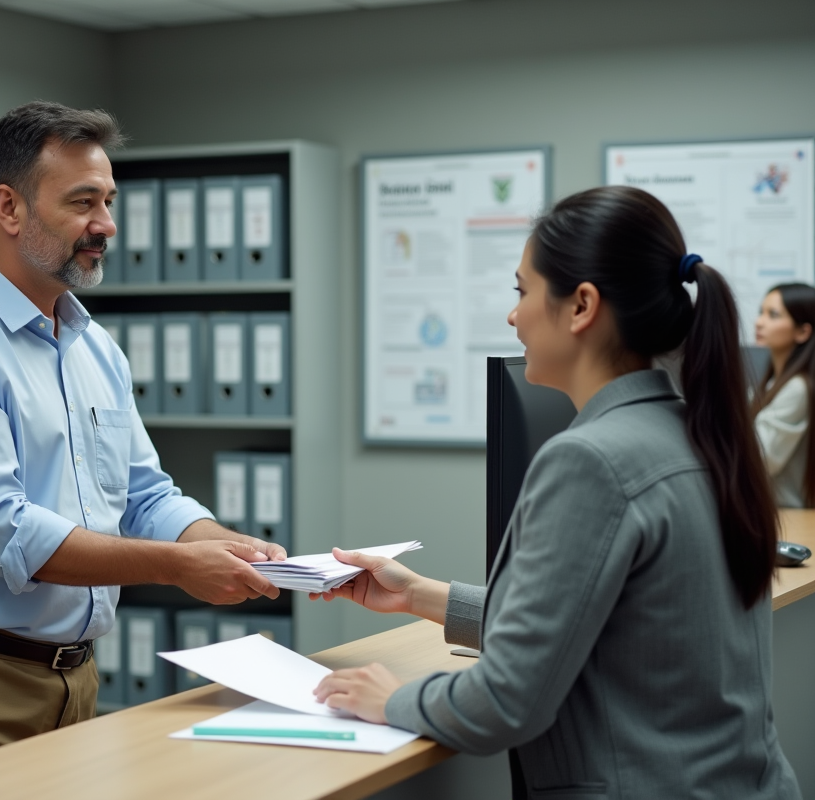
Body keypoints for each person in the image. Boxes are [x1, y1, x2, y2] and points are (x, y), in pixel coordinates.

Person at [311, 186, 800, 799]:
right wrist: (420, 595)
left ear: (581, 306)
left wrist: (392, 698)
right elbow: (610, 626)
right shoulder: (701, 434)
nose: (512, 316)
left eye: (522, 291)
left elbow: (506, 702)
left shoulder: (590, 460)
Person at [0, 101, 283, 779]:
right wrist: (177, 567)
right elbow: (0, 530)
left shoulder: (94, 347)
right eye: (83, 202)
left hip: (74, 679)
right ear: (9, 208)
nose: (107, 225)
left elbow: (145, 495)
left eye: (108, 201)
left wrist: (222, 544)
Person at [752, 283, 815, 507]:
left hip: (790, 514)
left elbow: (759, 459)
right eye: (761, 312)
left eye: (773, 315)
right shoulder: (769, 384)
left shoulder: (797, 389)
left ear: (802, 332)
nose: (759, 322)